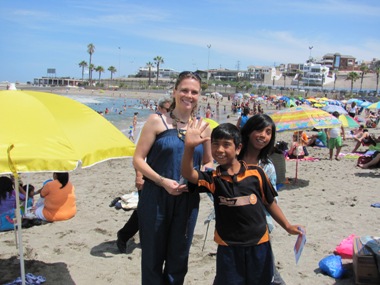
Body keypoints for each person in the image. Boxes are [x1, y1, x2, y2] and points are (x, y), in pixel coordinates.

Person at [181, 122, 304, 285]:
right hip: (228, 246)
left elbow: (270, 203)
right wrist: (189, 147)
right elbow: (188, 174)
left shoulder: (257, 174)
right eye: (215, 144)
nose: (219, 150)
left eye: (226, 144)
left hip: (259, 243)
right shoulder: (213, 179)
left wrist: (287, 226)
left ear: (238, 148)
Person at [132, 71, 213, 284]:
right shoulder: (156, 121)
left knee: (178, 259)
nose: (189, 95)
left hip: (187, 201)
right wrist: (162, 181)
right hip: (155, 198)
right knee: (152, 258)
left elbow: (208, 162)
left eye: (194, 92)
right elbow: (138, 159)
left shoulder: (204, 127)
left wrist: (198, 178)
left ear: (199, 95)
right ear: (175, 91)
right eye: (184, 90)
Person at [116, 96, 172, 253]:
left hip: (163, 176)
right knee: (144, 211)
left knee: (154, 210)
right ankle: (124, 235)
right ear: (160, 109)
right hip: (148, 176)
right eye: (168, 110)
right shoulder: (151, 125)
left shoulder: (169, 125)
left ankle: (149, 237)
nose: (171, 113)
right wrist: (139, 176)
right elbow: (139, 156)